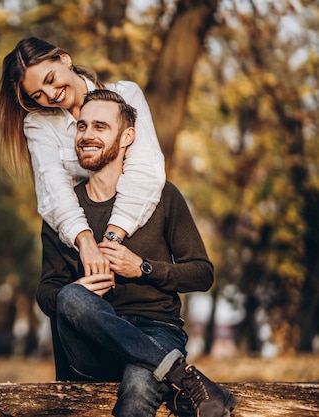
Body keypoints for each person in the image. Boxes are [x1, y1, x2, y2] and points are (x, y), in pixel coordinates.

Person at [36, 89, 238, 417]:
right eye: (82, 127)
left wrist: (143, 268)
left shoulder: (163, 197)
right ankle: (182, 377)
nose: (87, 135)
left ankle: (163, 367)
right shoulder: (63, 211)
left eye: (100, 127)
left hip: (157, 329)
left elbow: (202, 273)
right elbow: (46, 292)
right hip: (90, 346)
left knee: (139, 385)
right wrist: (75, 293)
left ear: (127, 136)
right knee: (70, 299)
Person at [0, 37, 165, 280]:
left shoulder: (126, 95)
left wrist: (111, 240)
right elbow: (53, 188)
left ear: (65, 59)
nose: (51, 95)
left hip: (135, 234)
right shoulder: (39, 124)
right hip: (78, 250)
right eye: (38, 94)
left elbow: (145, 170)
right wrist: (85, 242)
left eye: (50, 79)